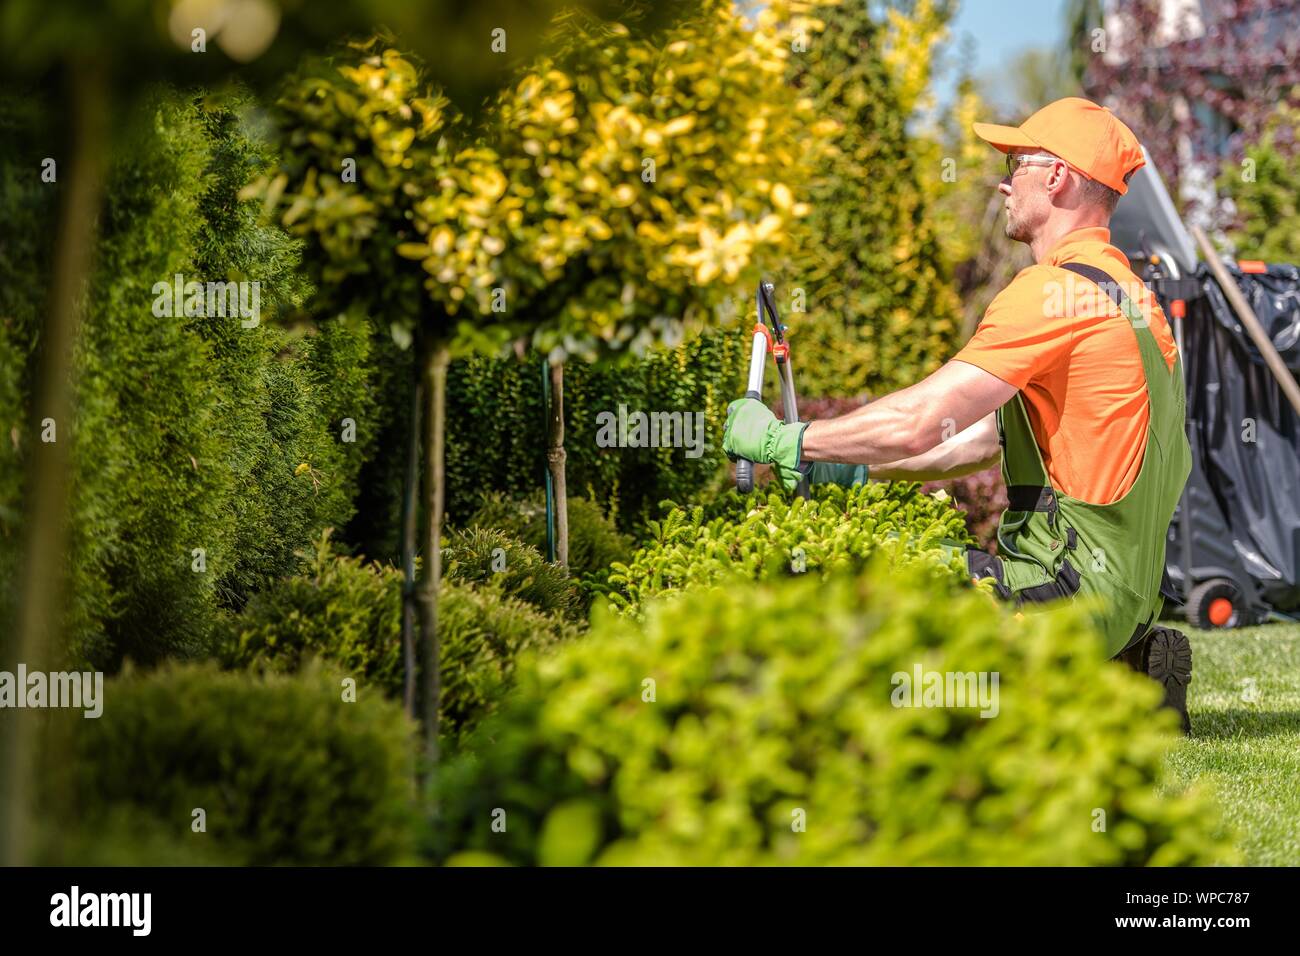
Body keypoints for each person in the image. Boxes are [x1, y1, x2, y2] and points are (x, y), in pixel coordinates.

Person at [722, 97, 1193, 731]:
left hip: (1065, 591)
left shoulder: (1051, 295)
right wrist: (848, 470)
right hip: (1128, 597)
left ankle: (1029, 693)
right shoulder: (1135, 300)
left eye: (1015, 163)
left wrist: (789, 438)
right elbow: (968, 440)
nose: (1003, 180)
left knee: (861, 578)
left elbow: (921, 417)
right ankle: (1119, 674)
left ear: (1057, 177)